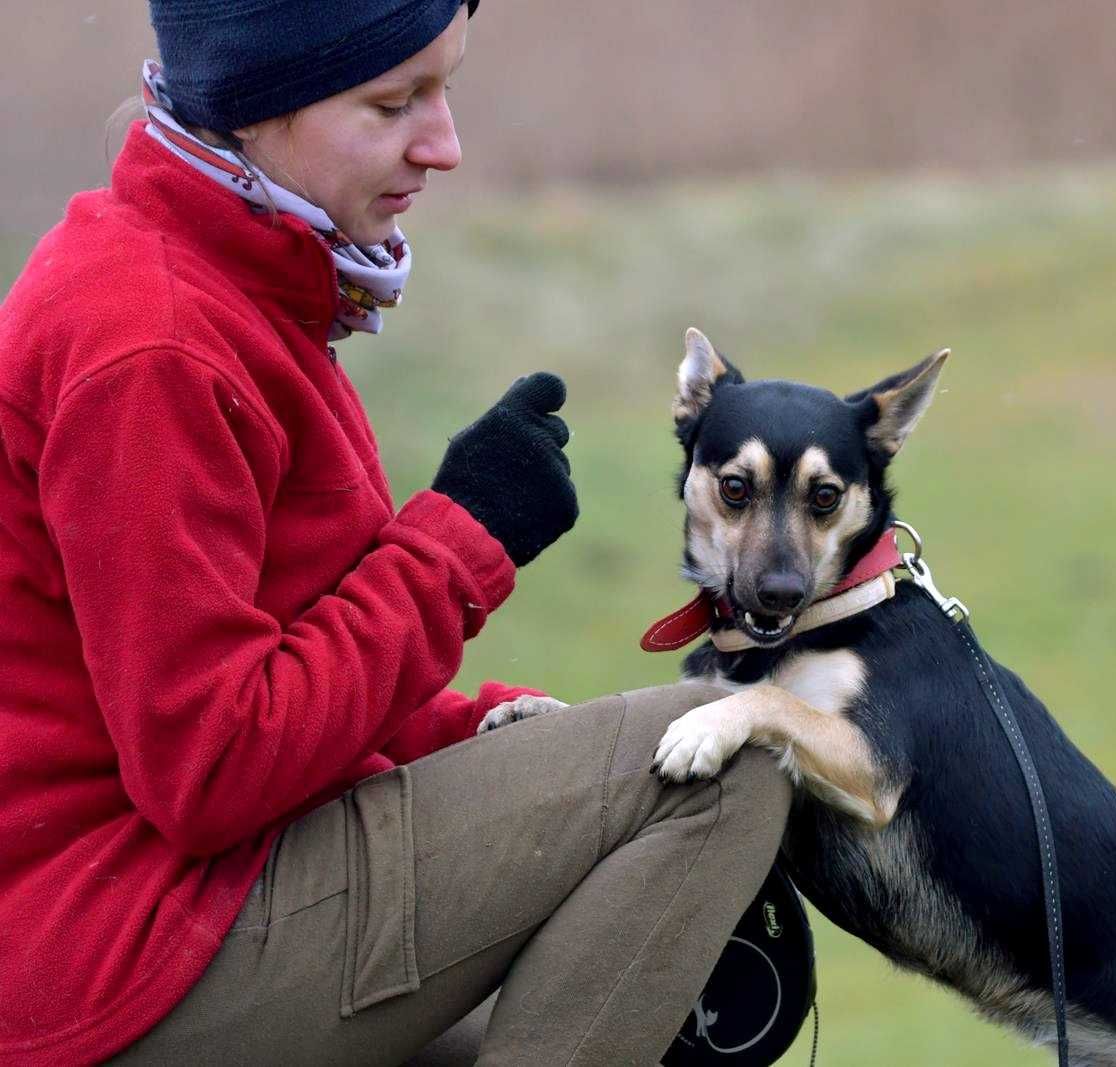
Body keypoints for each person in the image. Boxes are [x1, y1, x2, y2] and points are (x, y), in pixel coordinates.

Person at [0, 2, 792, 1064]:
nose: (444, 144)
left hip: (174, 917)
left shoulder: (222, 288)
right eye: (392, 101)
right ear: (255, 101)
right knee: (735, 760)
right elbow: (213, 764)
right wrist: (454, 546)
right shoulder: (154, 344)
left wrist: (484, 734)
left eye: (444, 86)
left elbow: (286, 688)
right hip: (117, 955)